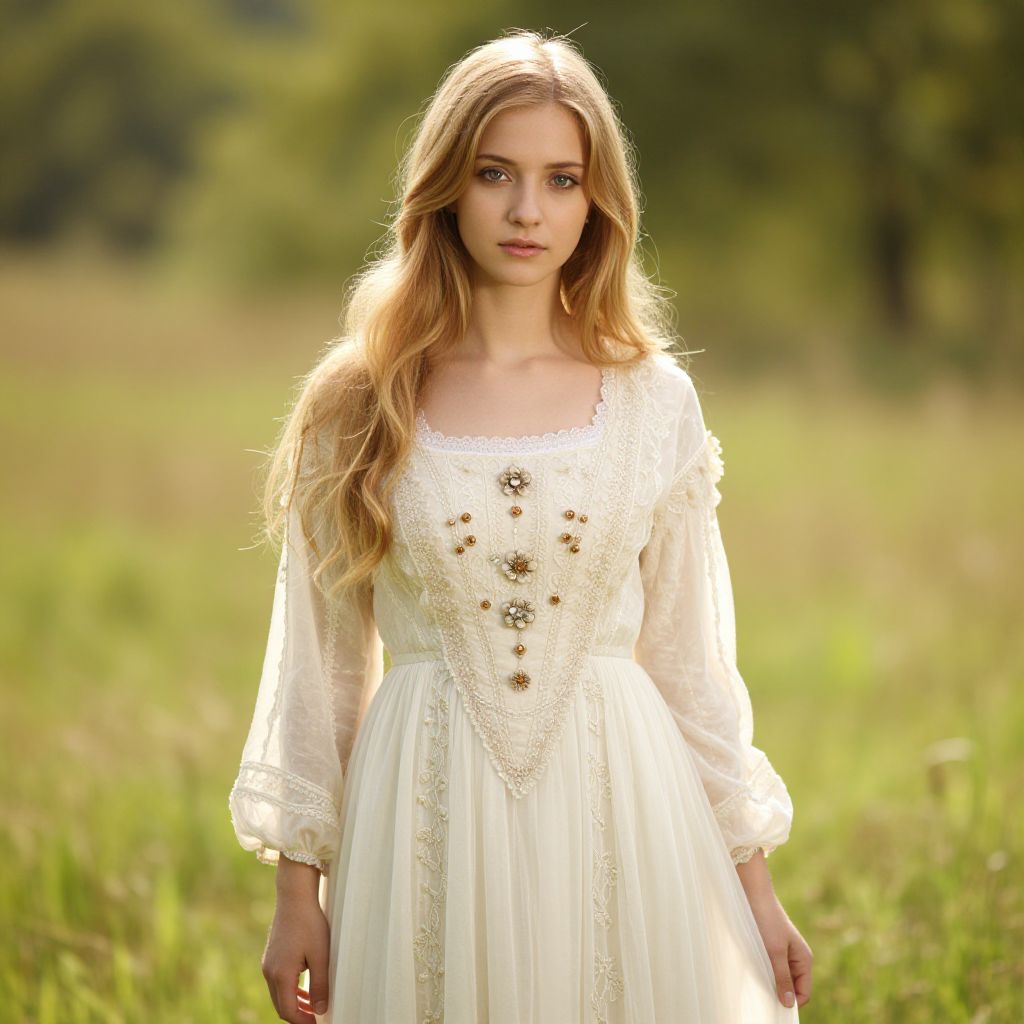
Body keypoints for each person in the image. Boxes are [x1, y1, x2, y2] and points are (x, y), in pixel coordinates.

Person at [228, 28, 813, 1023]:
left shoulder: (652, 403)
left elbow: (690, 667)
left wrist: (754, 889)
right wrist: (298, 892)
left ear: (598, 200)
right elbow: (320, 665)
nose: (527, 209)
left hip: (623, 807)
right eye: (496, 172)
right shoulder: (358, 402)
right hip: (422, 810)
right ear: (446, 183)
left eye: (561, 178)